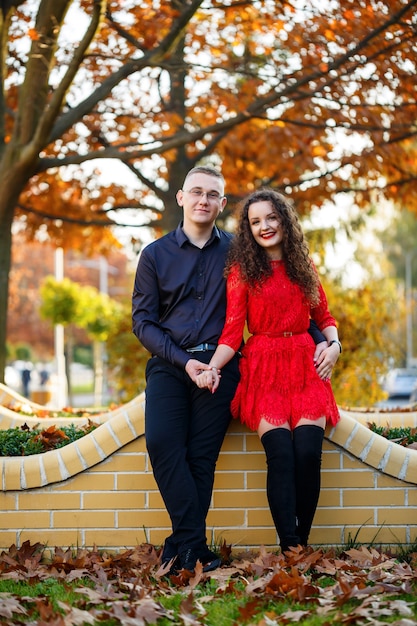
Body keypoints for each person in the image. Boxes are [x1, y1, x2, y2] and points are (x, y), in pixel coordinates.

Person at [132, 168, 328, 574]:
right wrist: (187, 363)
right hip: (172, 364)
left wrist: (329, 340)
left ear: (222, 205)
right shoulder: (155, 255)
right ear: (182, 198)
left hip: (223, 369)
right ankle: (190, 543)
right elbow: (143, 323)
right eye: (197, 192)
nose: (204, 200)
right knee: (164, 445)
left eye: (214, 195)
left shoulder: (242, 252)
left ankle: (188, 552)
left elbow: (294, 303)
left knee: (202, 458)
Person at [195, 188, 341, 553]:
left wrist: (335, 345)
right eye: (255, 221)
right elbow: (232, 331)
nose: (264, 227)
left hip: (306, 366)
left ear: (284, 220)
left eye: (271, 218)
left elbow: (323, 316)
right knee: (280, 454)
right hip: (263, 367)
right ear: (248, 229)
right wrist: (211, 368)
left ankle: (302, 541)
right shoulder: (243, 272)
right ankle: (289, 547)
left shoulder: (303, 266)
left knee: (307, 452)